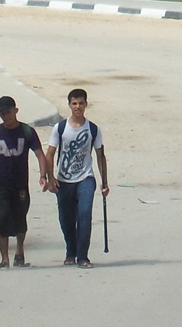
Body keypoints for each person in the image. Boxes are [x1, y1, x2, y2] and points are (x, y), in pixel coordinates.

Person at [0, 96, 50, 268]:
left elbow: (40, 154)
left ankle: (19, 252)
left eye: (8, 112)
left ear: (16, 111)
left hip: (20, 185)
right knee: (2, 217)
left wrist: (43, 176)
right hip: (0, 184)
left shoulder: (27, 132)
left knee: (20, 217)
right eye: (2, 114)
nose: (5, 117)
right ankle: (4, 258)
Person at [45, 88, 108, 268]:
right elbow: (50, 154)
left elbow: (100, 156)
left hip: (86, 178)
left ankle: (83, 256)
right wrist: (50, 178)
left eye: (81, 103)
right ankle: (70, 250)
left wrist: (105, 182)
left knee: (85, 215)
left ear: (86, 104)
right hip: (64, 180)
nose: (77, 106)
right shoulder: (60, 128)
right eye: (74, 103)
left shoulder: (93, 129)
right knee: (66, 219)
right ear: (69, 105)